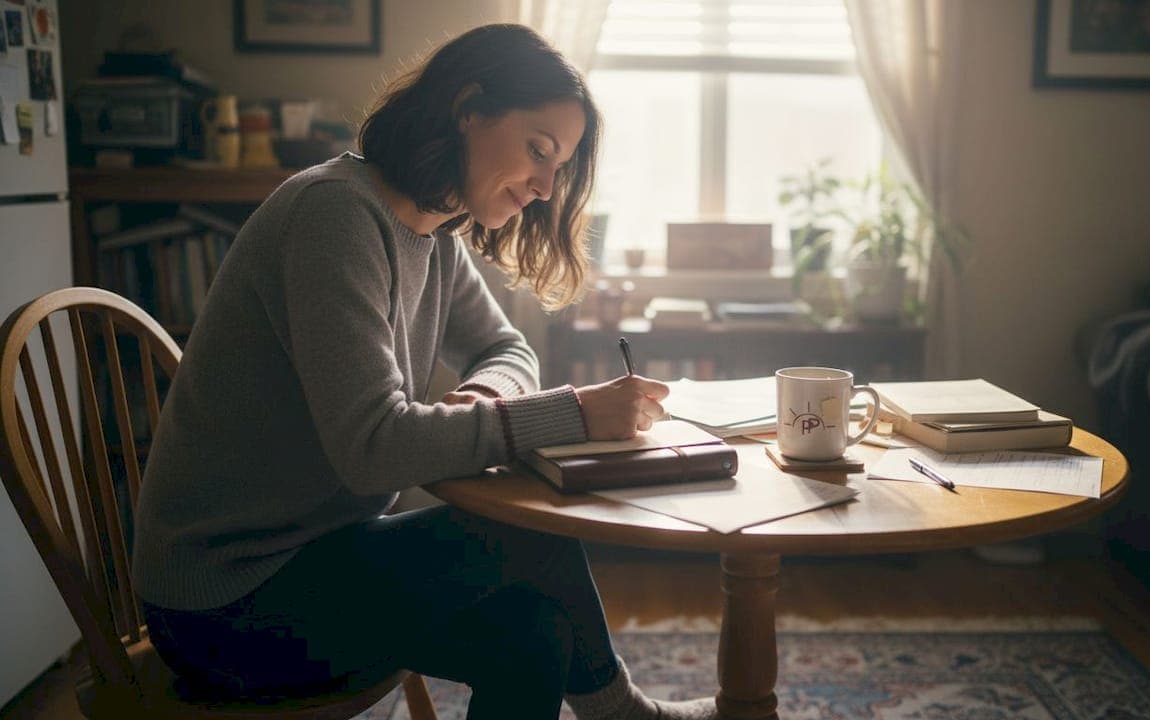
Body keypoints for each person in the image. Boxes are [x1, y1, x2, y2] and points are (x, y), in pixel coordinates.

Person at [132, 23, 717, 720]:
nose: (544, 187)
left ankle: (624, 713)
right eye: (538, 151)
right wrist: (575, 413)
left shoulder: (433, 231)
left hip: (318, 560)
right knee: (528, 535)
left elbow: (509, 351)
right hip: (221, 604)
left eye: (558, 167)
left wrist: (486, 394)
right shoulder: (335, 214)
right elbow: (372, 449)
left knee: (534, 630)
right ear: (468, 108)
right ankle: (625, 713)